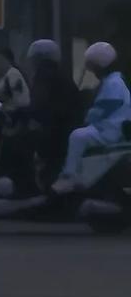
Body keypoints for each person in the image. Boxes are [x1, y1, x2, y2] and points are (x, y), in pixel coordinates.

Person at [51, 43, 131, 193]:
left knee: (77, 136)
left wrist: (87, 117)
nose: (93, 71)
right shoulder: (113, 81)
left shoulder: (113, 83)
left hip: (109, 130)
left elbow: (104, 108)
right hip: (109, 128)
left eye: (94, 67)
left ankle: (69, 175)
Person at [23, 39, 84, 190]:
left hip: (56, 131)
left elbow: (38, 104)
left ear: (38, 58)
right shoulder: (58, 73)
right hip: (64, 128)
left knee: (22, 145)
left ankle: (40, 192)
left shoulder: (44, 75)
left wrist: (19, 113)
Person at [0, 47, 30, 115]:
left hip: (14, 116)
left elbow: (21, 100)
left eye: (0, 60)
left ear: (7, 61)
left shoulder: (13, 73)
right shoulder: (4, 76)